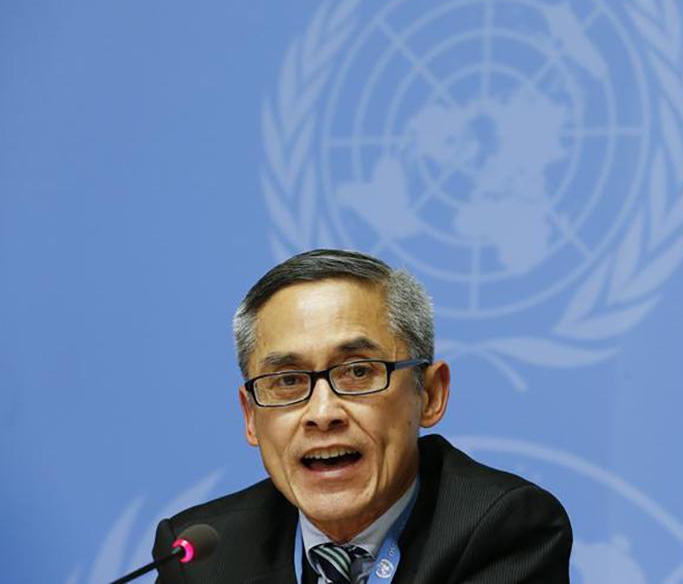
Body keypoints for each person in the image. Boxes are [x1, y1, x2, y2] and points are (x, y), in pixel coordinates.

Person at [152, 249, 572, 583]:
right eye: (287, 381)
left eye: (357, 372)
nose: (321, 413)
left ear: (430, 395)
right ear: (250, 416)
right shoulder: (202, 555)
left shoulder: (502, 529)